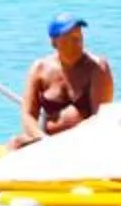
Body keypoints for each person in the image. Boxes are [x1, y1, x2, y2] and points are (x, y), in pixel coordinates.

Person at [18, 15, 114, 144]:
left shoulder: (97, 68)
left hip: (85, 140)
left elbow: (100, 116)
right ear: (54, 42)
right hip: (47, 141)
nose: (76, 44)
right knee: (16, 143)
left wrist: (70, 140)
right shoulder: (39, 69)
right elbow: (27, 115)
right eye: (69, 39)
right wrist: (42, 139)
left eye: (78, 38)